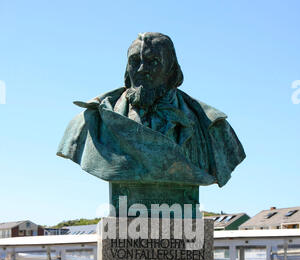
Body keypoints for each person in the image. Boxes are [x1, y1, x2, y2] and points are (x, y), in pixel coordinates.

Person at [57, 33, 246, 191]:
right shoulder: (89, 123)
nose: (141, 70)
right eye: (134, 61)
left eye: (152, 61)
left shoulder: (213, 128)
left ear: (171, 69)